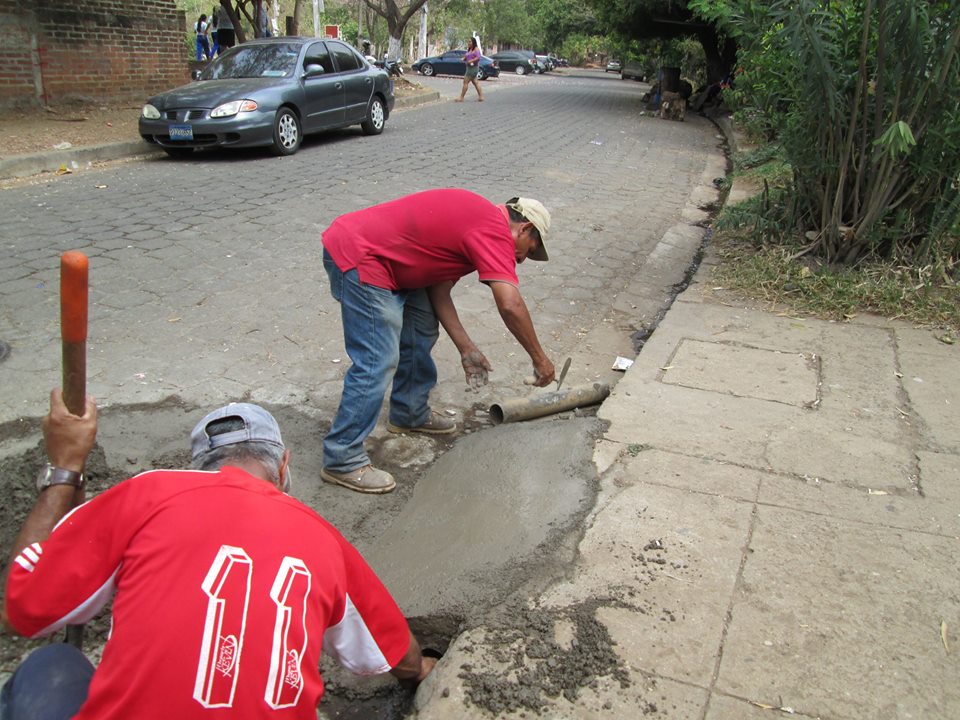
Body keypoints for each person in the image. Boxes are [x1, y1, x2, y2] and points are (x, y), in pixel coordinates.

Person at [1, 391, 435, 719]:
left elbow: (23, 609)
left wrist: (65, 467)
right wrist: (421, 671)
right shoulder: (324, 539)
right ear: (284, 467)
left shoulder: (148, 492)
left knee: (53, 664)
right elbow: (395, 651)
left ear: (197, 468)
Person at [319, 189, 556, 494]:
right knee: (378, 358)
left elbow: (438, 292)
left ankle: (408, 412)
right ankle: (342, 459)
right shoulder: (494, 231)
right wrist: (540, 360)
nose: (523, 259)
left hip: (390, 261)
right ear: (524, 228)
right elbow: (510, 304)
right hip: (362, 255)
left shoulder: (478, 227)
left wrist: (466, 348)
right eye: (531, 247)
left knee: (422, 326)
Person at [456, 37, 484, 102]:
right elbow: (467, 56)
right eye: (468, 42)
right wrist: (464, 58)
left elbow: (478, 57)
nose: (468, 43)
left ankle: (461, 97)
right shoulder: (470, 49)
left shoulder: (476, 49)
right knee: (475, 82)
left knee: (465, 82)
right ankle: (481, 97)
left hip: (473, 68)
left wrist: (471, 61)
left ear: (473, 42)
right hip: (469, 67)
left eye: (470, 41)